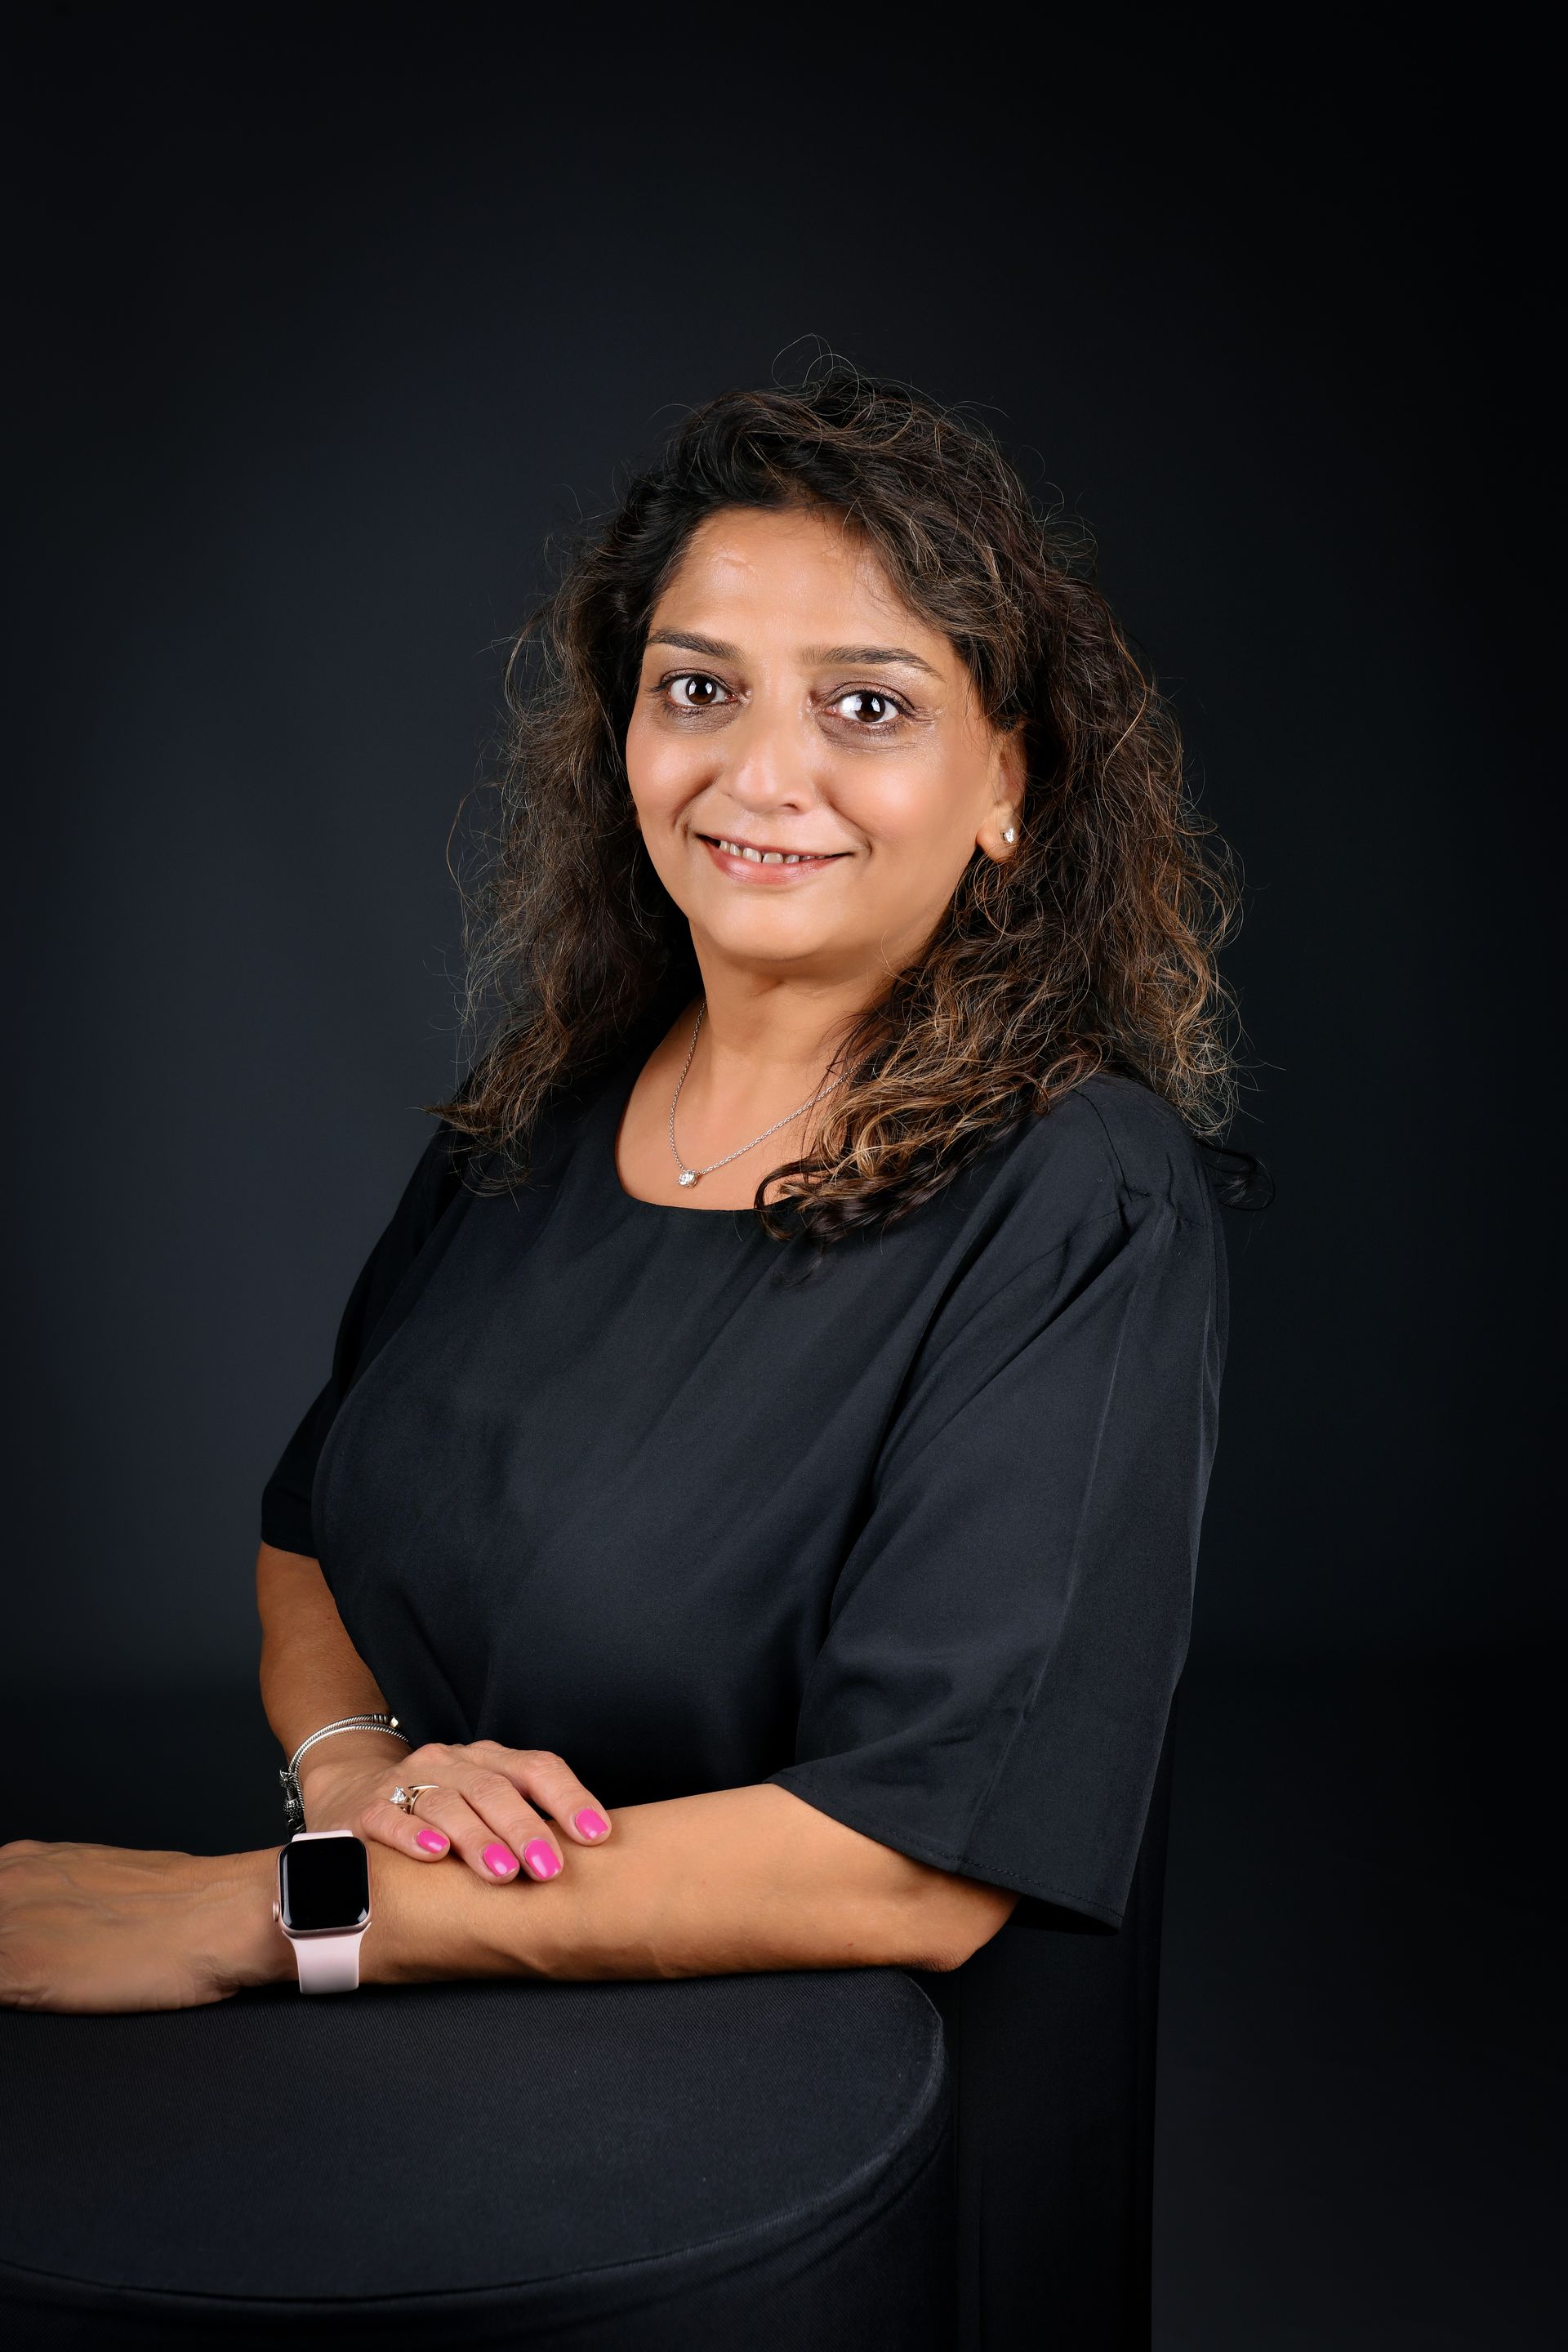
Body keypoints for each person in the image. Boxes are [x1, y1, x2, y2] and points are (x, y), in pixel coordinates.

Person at [0, 362, 1253, 2336]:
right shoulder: (541, 1113)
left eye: (867, 705)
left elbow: (914, 1864)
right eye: (699, 688)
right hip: (465, 2125)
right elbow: (312, 1529)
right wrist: (352, 1776)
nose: (762, 773)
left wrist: (275, 1909)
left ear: (1010, 784)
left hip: (829, 2192)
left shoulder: (1081, 1195)